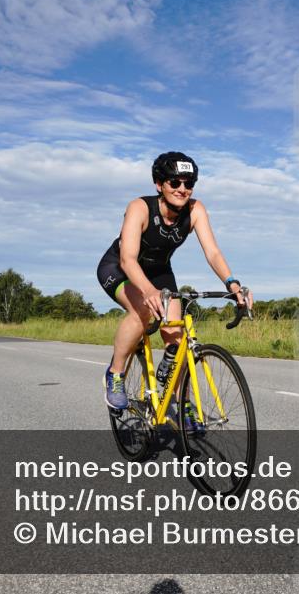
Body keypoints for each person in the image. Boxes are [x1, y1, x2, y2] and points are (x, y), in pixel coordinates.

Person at [96, 152, 251, 410]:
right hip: (120, 268)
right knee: (143, 311)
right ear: (159, 184)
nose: (182, 189)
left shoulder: (196, 210)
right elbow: (128, 259)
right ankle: (115, 374)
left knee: (177, 337)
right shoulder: (140, 207)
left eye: (189, 183)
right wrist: (148, 291)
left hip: (160, 271)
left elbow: (212, 252)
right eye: (175, 182)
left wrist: (233, 284)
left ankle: (181, 403)